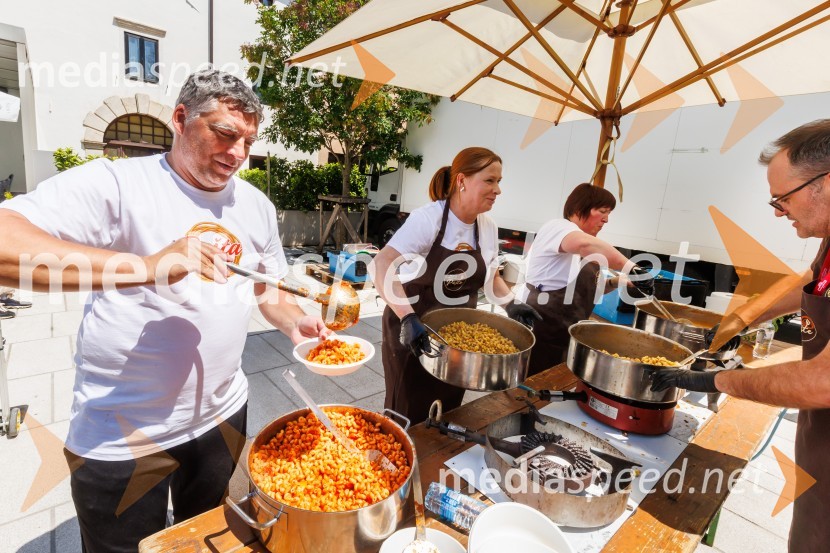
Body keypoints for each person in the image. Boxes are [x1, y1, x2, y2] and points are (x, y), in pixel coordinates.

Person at [0, 69, 330, 553]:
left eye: (249, 141)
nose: (238, 154)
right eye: (224, 134)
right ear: (181, 119)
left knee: (200, 540)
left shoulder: (256, 205)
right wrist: (149, 266)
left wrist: (293, 319)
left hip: (221, 417)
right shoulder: (118, 183)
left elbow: (267, 291)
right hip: (123, 435)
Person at [651, 119, 830, 553]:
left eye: (782, 198)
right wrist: (743, 317)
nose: (777, 211)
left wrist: (716, 380)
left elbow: (821, 382)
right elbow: (812, 276)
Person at [369, 147, 540, 423]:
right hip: (414, 330)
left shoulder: (487, 226)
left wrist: (512, 304)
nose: (498, 190)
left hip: (457, 344)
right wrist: (408, 318)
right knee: (407, 408)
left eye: (499, 182)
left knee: (447, 408)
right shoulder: (429, 219)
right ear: (461, 181)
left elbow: (491, 279)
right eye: (490, 180)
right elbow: (382, 264)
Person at [518, 183, 654, 374]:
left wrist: (617, 282)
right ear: (580, 208)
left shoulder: (584, 245)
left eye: (609, 213)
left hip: (568, 332)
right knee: (532, 383)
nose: (606, 220)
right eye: (602, 211)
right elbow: (584, 244)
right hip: (542, 325)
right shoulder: (559, 228)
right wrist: (632, 268)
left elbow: (588, 289)